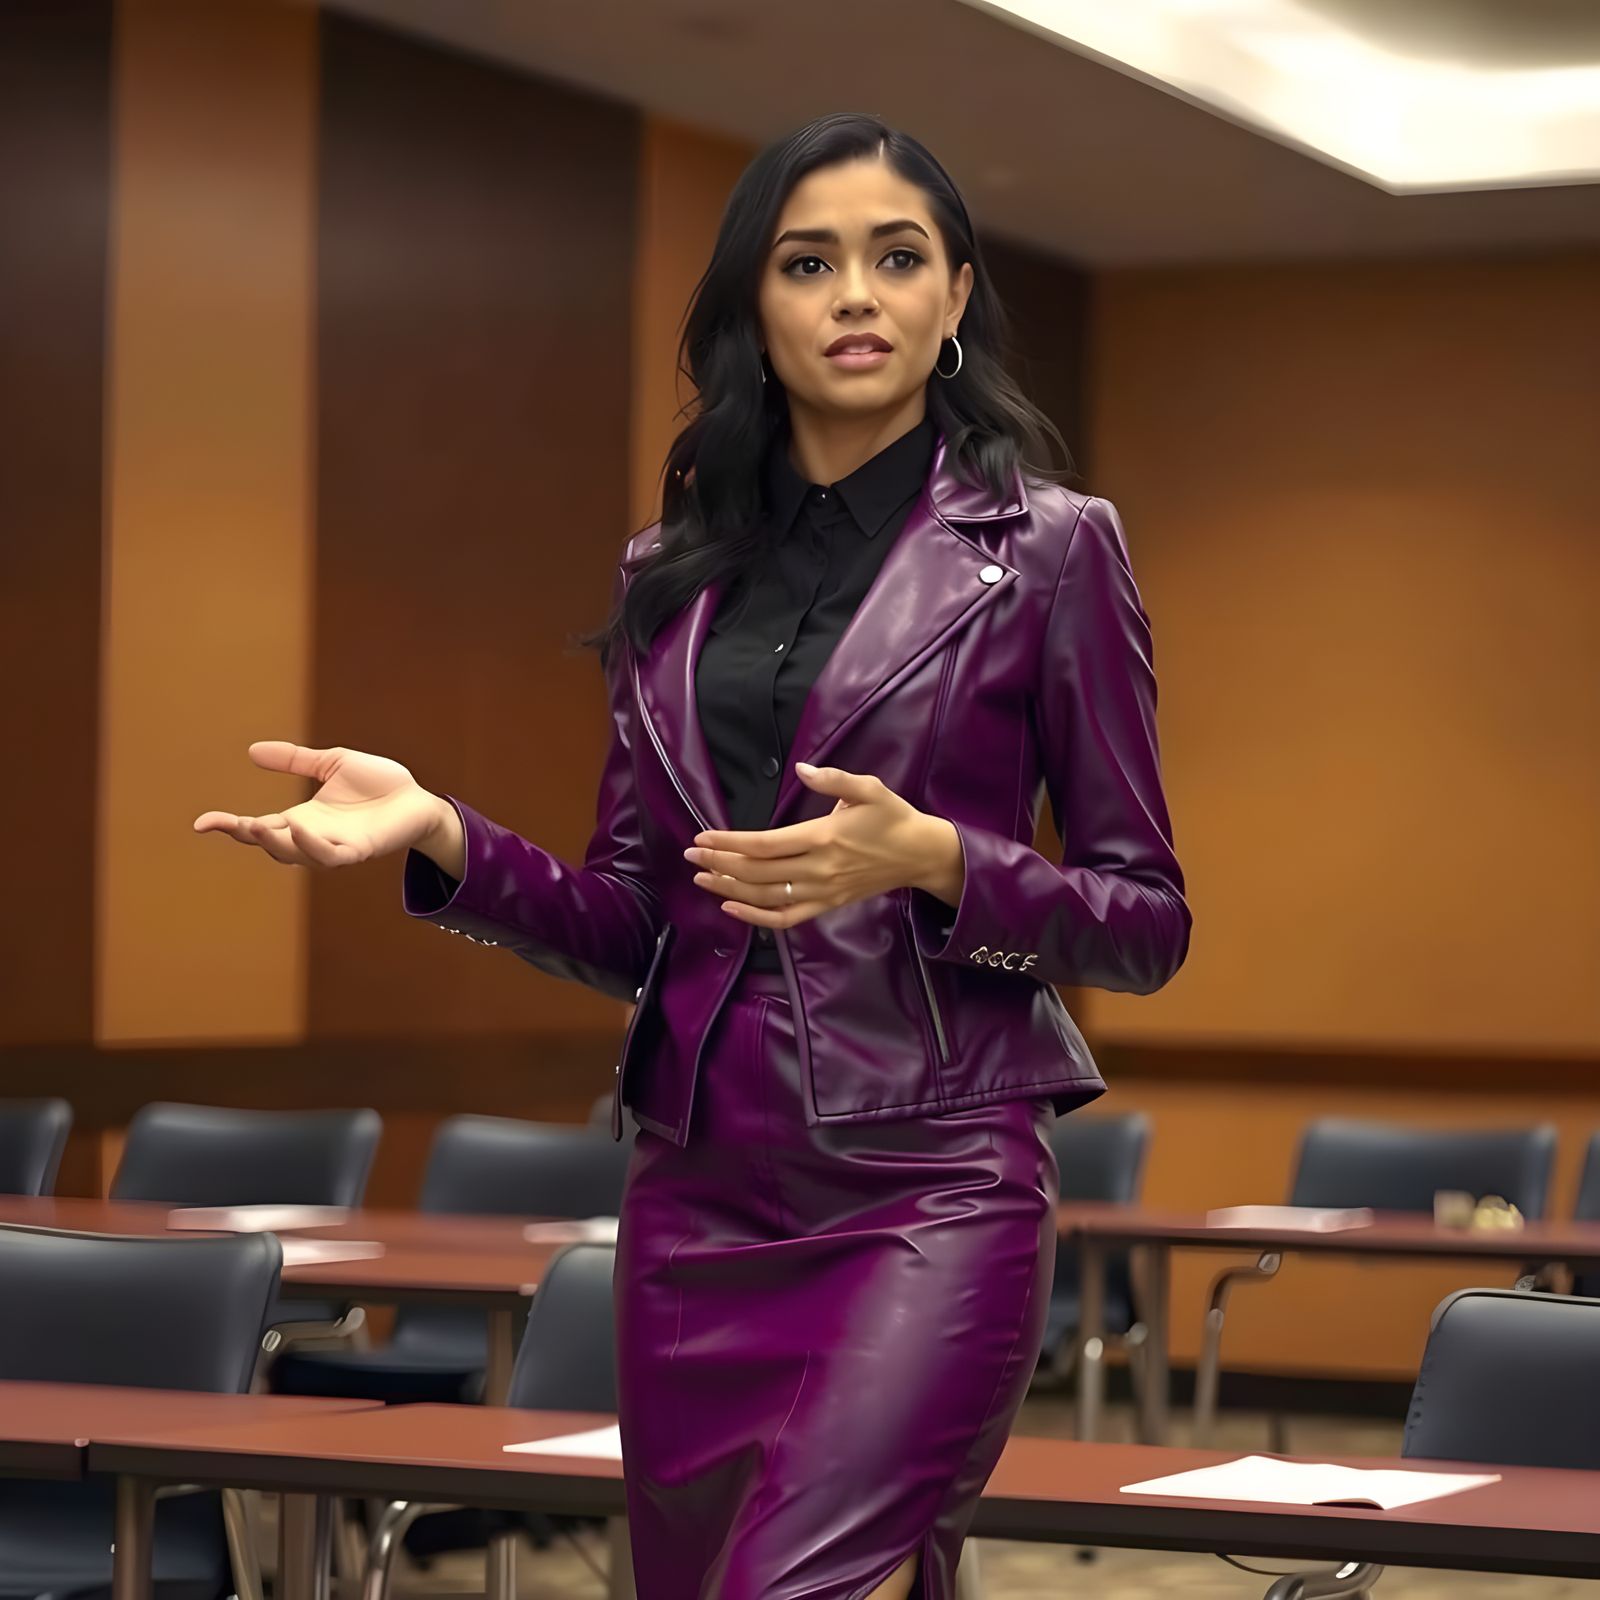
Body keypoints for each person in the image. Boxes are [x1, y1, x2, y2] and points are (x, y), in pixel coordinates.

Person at [197, 112, 1190, 1600]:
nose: (856, 294)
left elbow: (1146, 920)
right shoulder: (669, 575)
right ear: (752, 307)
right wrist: (442, 835)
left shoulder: (1051, 553)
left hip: (929, 1184)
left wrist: (935, 859)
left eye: (896, 258)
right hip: (695, 1194)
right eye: (809, 263)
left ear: (956, 297)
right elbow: (634, 921)